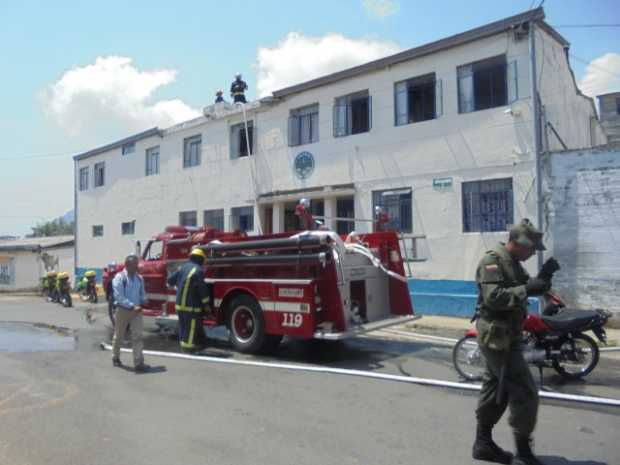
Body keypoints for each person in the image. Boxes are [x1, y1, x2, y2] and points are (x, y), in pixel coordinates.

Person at [472, 219, 550, 465]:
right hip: (497, 337)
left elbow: (525, 288)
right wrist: (527, 289)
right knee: (525, 390)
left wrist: (543, 278)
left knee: (496, 388)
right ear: (517, 243)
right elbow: (494, 298)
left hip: (508, 335)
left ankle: (483, 443)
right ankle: (523, 450)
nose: (532, 254)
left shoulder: (514, 264)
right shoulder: (492, 261)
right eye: (531, 249)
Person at [167, 247, 211, 352]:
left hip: (179, 305)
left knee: (183, 326)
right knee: (191, 328)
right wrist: (206, 305)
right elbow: (202, 289)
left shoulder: (183, 267)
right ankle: (188, 348)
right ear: (200, 259)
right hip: (191, 306)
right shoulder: (198, 270)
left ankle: (183, 345)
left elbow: (170, 281)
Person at [112, 253, 150, 373]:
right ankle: (115, 357)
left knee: (138, 336)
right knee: (119, 336)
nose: (137, 267)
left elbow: (142, 292)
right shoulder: (119, 278)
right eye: (135, 265)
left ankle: (138, 363)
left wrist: (144, 300)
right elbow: (118, 297)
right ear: (127, 265)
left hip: (136, 312)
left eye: (137, 265)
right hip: (123, 310)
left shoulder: (139, 278)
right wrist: (132, 305)